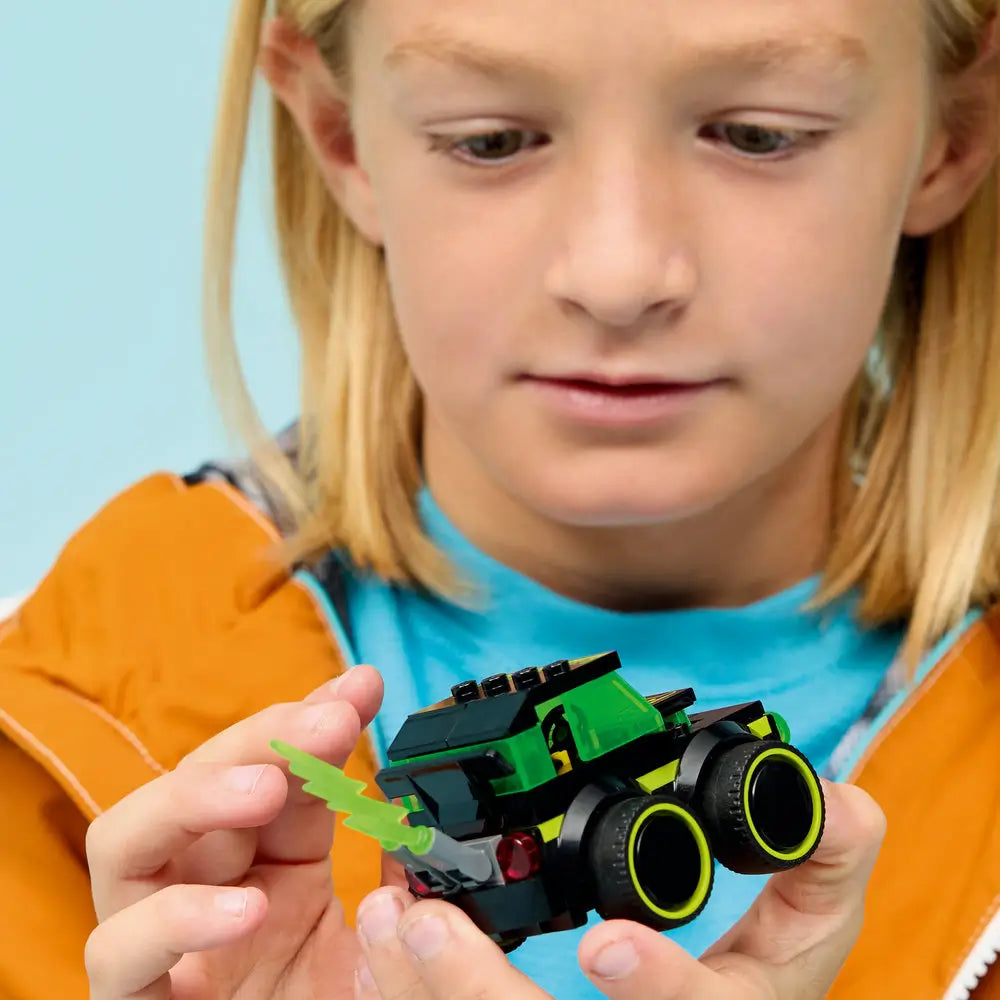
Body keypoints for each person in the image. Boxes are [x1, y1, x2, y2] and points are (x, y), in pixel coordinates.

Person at [2, 0, 1000, 997]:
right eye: (491, 141)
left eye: (756, 135)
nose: (617, 275)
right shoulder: (62, 747)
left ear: (955, 132)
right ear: (338, 133)